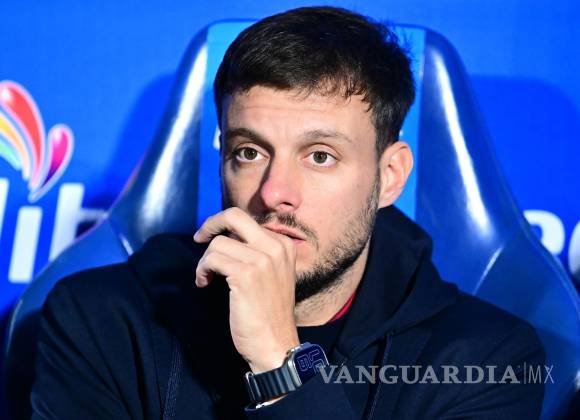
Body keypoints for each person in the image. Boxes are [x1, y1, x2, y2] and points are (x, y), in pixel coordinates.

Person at [31, 6, 545, 419]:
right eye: (249, 152)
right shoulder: (102, 318)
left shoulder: (487, 359)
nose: (275, 193)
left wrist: (279, 365)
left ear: (389, 176)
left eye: (320, 156)